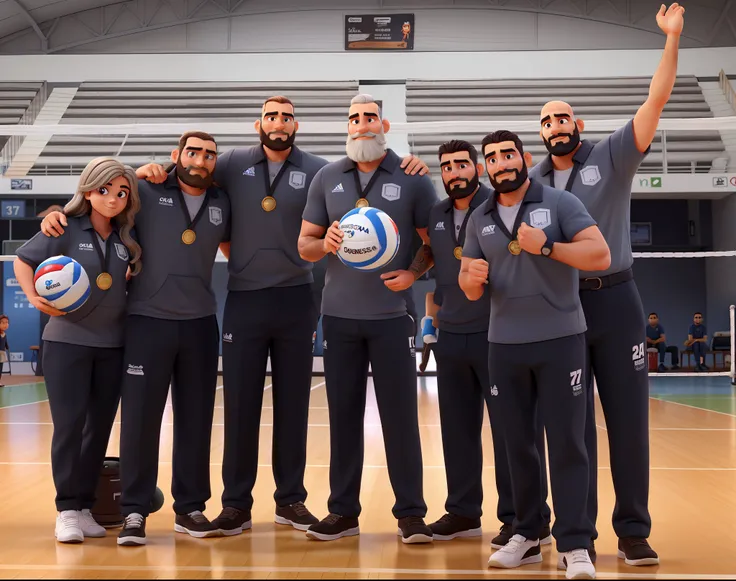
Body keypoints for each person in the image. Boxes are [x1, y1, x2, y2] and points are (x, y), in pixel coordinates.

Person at [130, 96, 428, 534]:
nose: (279, 123)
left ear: (297, 125)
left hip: (297, 299)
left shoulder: (322, 170)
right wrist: (146, 170)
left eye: (287, 117)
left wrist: (411, 164)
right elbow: (187, 171)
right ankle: (236, 505)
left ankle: (290, 499)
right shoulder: (229, 163)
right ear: (259, 124)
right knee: (239, 406)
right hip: (245, 299)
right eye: (272, 116)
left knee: (294, 406)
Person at [527, 3, 685, 565]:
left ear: (579, 125)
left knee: (627, 423)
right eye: (545, 121)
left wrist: (670, 40)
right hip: (563, 309)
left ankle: (634, 529)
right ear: (540, 134)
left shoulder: (612, 156)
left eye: (562, 117)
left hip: (617, 301)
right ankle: (578, 537)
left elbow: (656, 100)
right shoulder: (534, 183)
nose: (555, 126)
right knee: (571, 431)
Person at [40, 132, 231, 546]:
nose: (201, 159)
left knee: (196, 420)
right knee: (141, 421)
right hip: (146, 321)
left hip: (200, 322)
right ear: (176, 155)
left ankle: (190, 508)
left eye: (210, 154)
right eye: (193, 152)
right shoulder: (144, 188)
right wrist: (55, 212)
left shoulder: (222, 200)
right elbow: (98, 202)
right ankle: (134, 512)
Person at [460, 130, 609, 579]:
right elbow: (469, 288)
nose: (501, 163)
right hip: (503, 345)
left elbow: (599, 255)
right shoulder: (479, 217)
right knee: (516, 446)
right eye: (492, 158)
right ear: (485, 167)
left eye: (508, 155)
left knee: (567, 442)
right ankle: (527, 533)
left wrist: (545, 245)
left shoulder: (559, 204)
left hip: (561, 340)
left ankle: (576, 542)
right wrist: (473, 279)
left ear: (524, 158)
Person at [298, 94, 438, 543]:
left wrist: (412, 272)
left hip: (392, 317)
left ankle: (411, 514)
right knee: (343, 416)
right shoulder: (326, 177)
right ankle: (342, 511)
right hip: (338, 319)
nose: (362, 124)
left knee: (400, 418)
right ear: (348, 126)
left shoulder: (412, 177)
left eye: (370, 117)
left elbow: (431, 244)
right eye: (354, 118)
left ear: (385, 124)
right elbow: (304, 244)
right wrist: (326, 243)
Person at [426, 139, 551, 543]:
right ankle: (462, 511)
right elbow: (437, 269)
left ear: (478, 168)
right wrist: (430, 320)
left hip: (499, 336)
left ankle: (522, 518)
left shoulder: (496, 206)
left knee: (512, 433)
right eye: (447, 166)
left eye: (462, 164)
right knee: (457, 430)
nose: (454, 172)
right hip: (451, 336)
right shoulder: (436, 214)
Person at [15, 157, 142, 543]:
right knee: (70, 427)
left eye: (122, 193)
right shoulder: (64, 227)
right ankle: (66, 509)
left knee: (98, 429)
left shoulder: (128, 237)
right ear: (88, 190)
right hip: (67, 343)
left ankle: (85, 506)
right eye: (105, 190)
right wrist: (34, 298)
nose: (114, 199)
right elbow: (23, 260)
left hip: (112, 347)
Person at [0, 314, 9, 386]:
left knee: (0, 368)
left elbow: (5, 342)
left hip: (2, 353)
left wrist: (7, 346)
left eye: (7, 322)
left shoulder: (4, 334)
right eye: (3, 323)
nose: (5, 325)